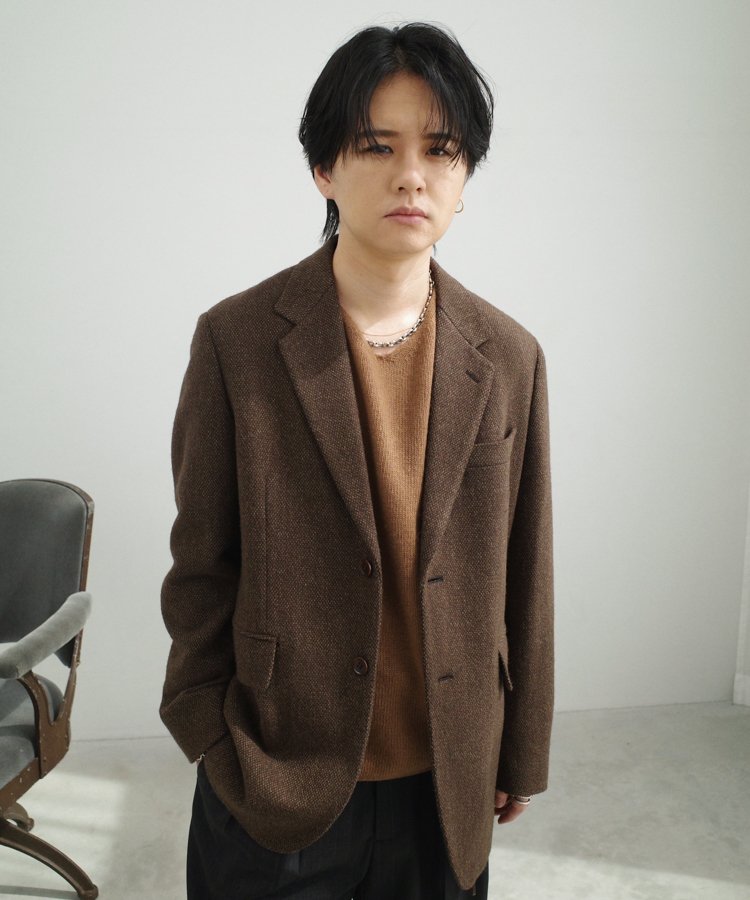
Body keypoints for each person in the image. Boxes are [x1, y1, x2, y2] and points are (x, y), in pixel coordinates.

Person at [160, 21, 554, 900]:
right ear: (324, 169)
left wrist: (520, 750)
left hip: (446, 781)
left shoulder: (509, 356)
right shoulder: (237, 341)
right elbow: (201, 564)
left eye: (440, 150)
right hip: (275, 773)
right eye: (377, 146)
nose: (412, 174)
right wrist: (208, 732)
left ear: (465, 179)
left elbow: (526, 571)